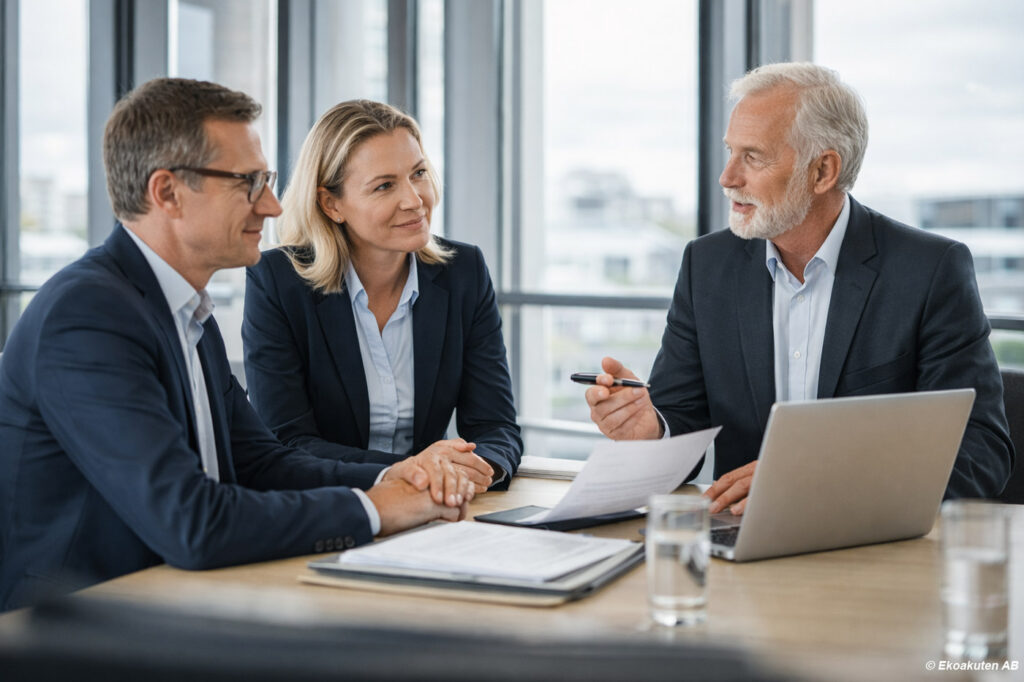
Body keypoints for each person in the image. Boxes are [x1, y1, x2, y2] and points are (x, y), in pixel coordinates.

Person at [0, 79, 474, 611]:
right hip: (71, 627)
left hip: (170, 600)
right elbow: (192, 522)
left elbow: (262, 463)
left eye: (266, 180)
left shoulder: (181, 309)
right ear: (167, 193)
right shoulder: (87, 317)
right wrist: (375, 510)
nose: (272, 206)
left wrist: (394, 476)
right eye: (247, 183)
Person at [585, 62, 1013, 514]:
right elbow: (682, 420)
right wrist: (651, 430)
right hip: (740, 546)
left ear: (823, 171)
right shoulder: (706, 266)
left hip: (869, 548)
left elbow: (981, 453)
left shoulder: (929, 270)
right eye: (730, 152)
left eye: (752, 156)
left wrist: (821, 482)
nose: (727, 178)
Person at [242, 100, 521, 490]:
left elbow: (496, 426)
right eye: (385, 185)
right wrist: (414, 471)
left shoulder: (463, 272)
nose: (414, 199)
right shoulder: (278, 281)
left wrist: (482, 468)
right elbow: (287, 441)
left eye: (418, 173)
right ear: (332, 204)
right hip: (328, 506)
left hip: (436, 505)